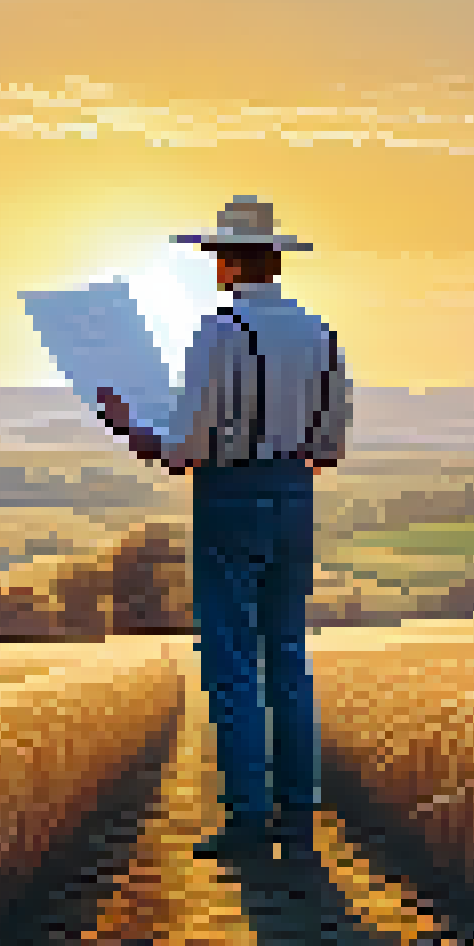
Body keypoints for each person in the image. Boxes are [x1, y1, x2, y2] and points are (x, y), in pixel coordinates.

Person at [95, 194, 351, 869]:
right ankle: (299, 814)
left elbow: (183, 451)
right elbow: (329, 450)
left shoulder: (218, 333)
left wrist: (128, 426)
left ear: (230, 261)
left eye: (216, 256)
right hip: (295, 498)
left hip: (228, 500)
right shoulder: (322, 334)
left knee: (232, 659)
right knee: (288, 655)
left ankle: (247, 818)